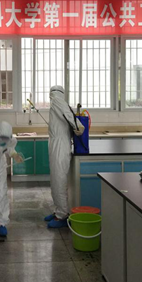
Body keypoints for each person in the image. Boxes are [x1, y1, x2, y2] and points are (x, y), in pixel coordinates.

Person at [45, 85, 84, 228]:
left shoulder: (57, 101)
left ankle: (62, 216)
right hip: (56, 144)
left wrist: (78, 126)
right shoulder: (57, 103)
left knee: (59, 180)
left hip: (60, 146)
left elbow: (69, 115)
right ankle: (58, 210)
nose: (51, 96)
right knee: (55, 179)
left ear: (55, 93)